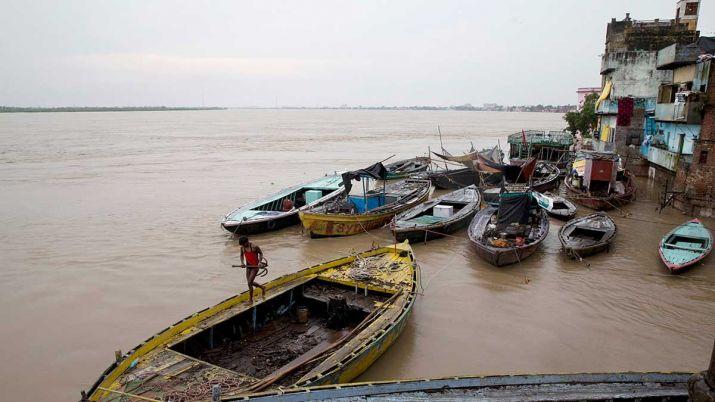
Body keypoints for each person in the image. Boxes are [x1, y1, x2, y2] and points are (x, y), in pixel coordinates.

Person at [239, 236, 267, 303]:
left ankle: (251, 300)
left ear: (247, 242)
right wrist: (242, 262)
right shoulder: (242, 248)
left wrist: (260, 262)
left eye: (244, 244)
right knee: (249, 282)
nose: (243, 246)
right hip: (248, 266)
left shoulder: (255, 247)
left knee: (249, 283)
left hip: (255, 267)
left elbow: (261, 253)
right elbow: (241, 255)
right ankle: (262, 287)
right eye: (242, 245)